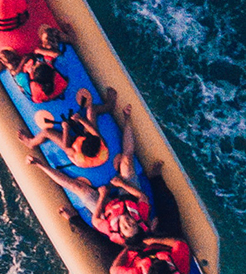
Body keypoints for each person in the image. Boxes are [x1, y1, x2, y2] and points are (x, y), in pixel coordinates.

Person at [23, 101, 151, 241]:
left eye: (125, 227)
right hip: (127, 197)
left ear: (121, 232)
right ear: (137, 223)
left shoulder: (111, 230)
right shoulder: (141, 216)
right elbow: (143, 197)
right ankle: (127, 118)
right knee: (127, 159)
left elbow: (95, 220)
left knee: (78, 188)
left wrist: (102, 196)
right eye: (132, 223)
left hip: (107, 207)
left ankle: (40, 165)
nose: (127, 221)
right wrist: (122, 184)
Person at [19, 85, 110, 173]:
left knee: (47, 132)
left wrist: (65, 128)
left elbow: (66, 147)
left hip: (73, 147)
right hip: (89, 145)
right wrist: (80, 119)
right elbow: (93, 131)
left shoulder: (75, 153)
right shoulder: (102, 145)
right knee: (91, 109)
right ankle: (109, 105)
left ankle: (31, 143)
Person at [0, 24, 70, 97]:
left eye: (35, 66)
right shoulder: (57, 71)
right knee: (47, 34)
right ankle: (65, 35)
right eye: (39, 63)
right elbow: (57, 55)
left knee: (3, 56)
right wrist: (41, 51)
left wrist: (23, 62)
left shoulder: (25, 81)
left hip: (24, 70)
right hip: (47, 75)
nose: (37, 63)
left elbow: (17, 71)